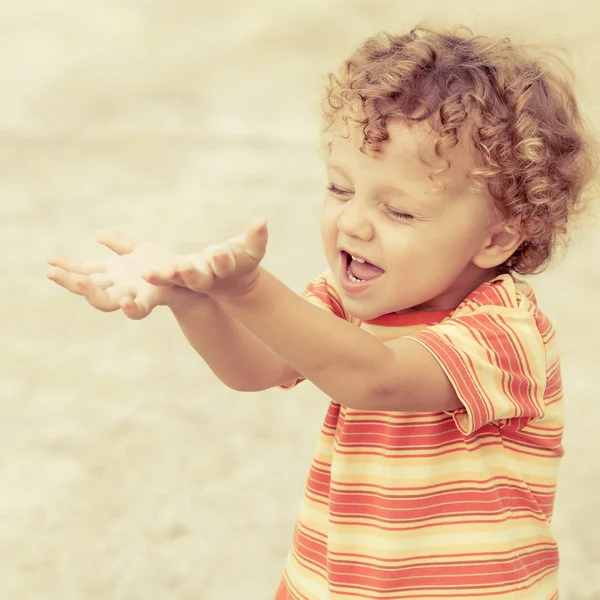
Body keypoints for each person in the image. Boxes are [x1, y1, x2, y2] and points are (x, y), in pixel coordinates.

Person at [47, 25, 597, 600]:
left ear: (499, 236)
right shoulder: (341, 303)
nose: (353, 223)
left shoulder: (504, 333)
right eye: (339, 188)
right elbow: (255, 366)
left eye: (400, 211)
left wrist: (251, 289)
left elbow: (375, 376)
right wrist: (194, 301)